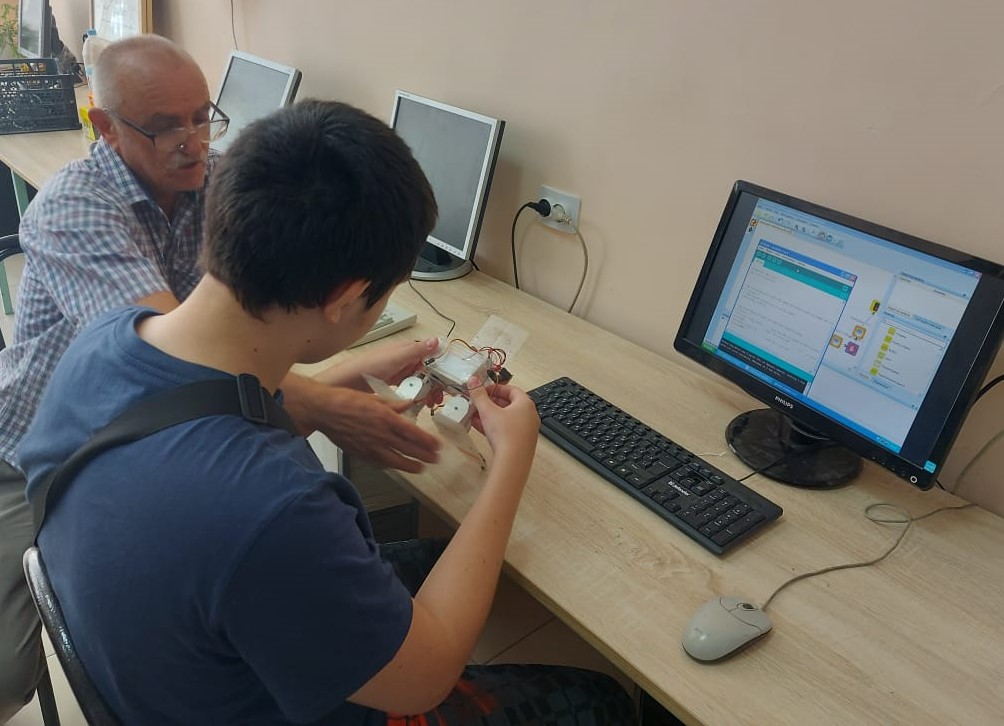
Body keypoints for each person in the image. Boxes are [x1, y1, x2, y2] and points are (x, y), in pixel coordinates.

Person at [18, 99, 635, 724]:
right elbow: (424, 681)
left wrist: (343, 383)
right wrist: (511, 461)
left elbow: (198, 420)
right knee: (602, 699)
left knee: (444, 556)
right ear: (345, 297)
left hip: (174, 656)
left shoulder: (104, 343)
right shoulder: (275, 510)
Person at [0, 35, 441, 720]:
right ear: (105, 126)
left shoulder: (216, 183)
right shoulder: (75, 209)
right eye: (164, 126)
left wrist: (340, 375)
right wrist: (329, 400)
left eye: (202, 117)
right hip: (49, 438)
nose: (193, 143)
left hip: (135, 429)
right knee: (6, 671)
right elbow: (183, 368)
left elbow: (213, 350)